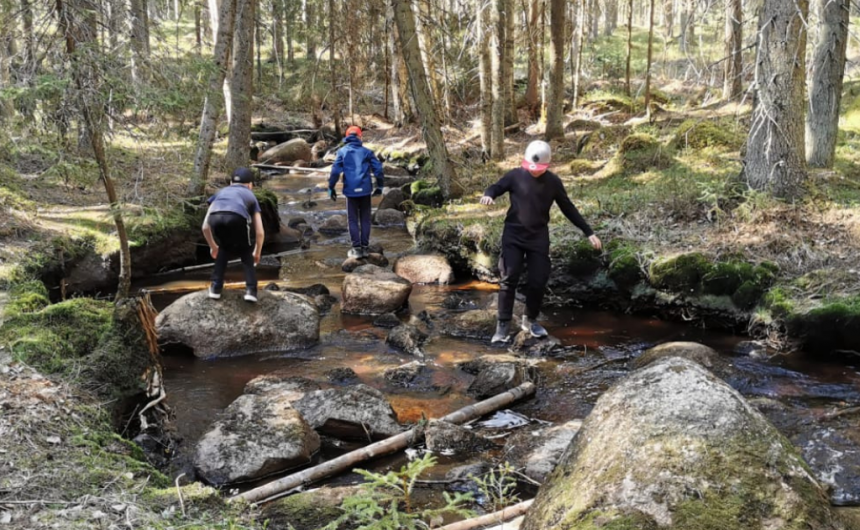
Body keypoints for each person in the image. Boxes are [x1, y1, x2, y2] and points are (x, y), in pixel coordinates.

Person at [480, 140, 602, 343]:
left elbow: (568, 207)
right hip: (513, 235)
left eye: (539, 169)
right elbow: (496, 187)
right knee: (509, 278)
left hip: (538, 237)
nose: (534, 171)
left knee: (538, 280)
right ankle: (502, 325)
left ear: (547, 166)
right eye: (531, 167)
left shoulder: (553, 182)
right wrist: (488, 195)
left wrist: (588, 232)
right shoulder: (515, 175)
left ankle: (530, 321)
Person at [201, 167, 265, 303]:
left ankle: (216, 288)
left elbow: (205, 227)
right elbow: (259, 232)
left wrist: (213, 246)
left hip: (215, 217)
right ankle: (251, 290)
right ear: (250, 185)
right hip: (237, 217)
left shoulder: (219, 193)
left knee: (223, 248)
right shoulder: (250, 195)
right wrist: (257, 252)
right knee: (245, 250)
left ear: (231, 183)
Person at [328, 126, 385, 259]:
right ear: (360, 137)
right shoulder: (367, 152)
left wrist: (331, 187)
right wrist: (380, 186)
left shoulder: (342, 152)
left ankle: (356, 249)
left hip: (350, 191)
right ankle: (365, 248)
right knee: (365, 219)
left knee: (352, 219)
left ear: (347, 137)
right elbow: (378, 170)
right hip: (365, 190)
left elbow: (335, 171)